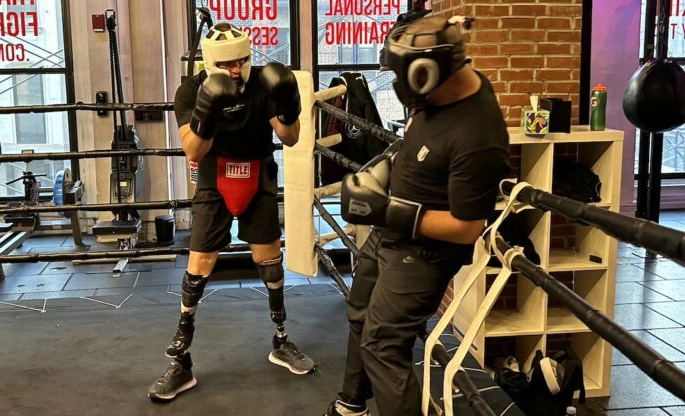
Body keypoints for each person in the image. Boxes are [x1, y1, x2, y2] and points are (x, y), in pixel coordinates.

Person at [324, 16, 510, 416]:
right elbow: (422, 140)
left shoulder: (478, 137)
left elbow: (467, 228)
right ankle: (350, 406)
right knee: (359, 315)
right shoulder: (442, 89)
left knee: (383, 344)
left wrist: (390, 209)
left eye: (399, 75)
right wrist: (389, 162)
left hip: (423, 255)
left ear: (425, 73)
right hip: (387, 235)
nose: (395, 85)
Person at [148, 22, 315, 402]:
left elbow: (290, 138)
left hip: (258, 176)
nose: (237, 70)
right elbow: (193, 151)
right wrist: (209, 108)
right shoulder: (190, 91)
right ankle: (181, 361)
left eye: (242, 61)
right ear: (211, 64)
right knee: (200, 264)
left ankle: (282, 340)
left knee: (269, 260)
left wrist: (289, 107)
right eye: (228, 65)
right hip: (214, 179)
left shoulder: (262, 84)